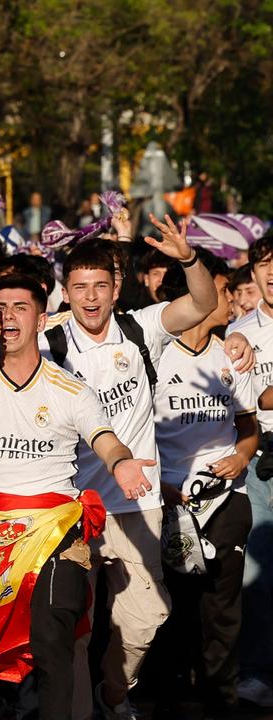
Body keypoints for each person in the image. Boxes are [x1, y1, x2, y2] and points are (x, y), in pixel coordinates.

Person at [0, 275, 154, 720]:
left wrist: (121, 462)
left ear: (41, 319)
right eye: (0, 307)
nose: (8, 316)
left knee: (51, 638)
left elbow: (105, 439)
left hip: (53, 530)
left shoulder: (70, 389)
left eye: (20, 307)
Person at [41, 215, 222, 720]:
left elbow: (205, 305)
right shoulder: (49, 346)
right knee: (73, 624)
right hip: (74, 509)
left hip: (138, 504)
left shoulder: (141, 328)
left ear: (116, 287)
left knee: (148, 616)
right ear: (66, 290)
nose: (91, 298)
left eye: (100, 286)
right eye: (80, 288)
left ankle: (114, 693)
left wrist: (188, 260)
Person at [151, 251, 256, 715]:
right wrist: (158, 484)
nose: (228, 300)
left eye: (230, 292)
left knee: (222, 608)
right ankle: (167, 696)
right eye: (221, 291)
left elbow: (248, 424)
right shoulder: (150, 356)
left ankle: (221, 699)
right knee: (173, 609)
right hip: (167, 503)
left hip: (224, 502)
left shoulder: (231, 356)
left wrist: (239, 455)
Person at [227, 237, 273, 709]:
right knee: (257, 572)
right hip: (258, 457)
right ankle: (257, 672)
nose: (272, 272)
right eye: (263, 265)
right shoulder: (237, 334)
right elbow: (250, 401)